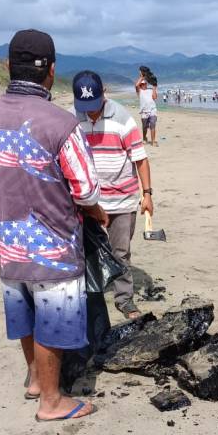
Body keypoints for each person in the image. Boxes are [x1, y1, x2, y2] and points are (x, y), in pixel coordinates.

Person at [0, 29, 104, 421]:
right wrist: (95, 213)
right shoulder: (61, 123)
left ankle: (33, 378)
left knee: (23, 310)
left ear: (8, 66)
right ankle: (51, 400)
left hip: (7, 237)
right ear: (51, 71)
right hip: (52, 242)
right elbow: (86, 189)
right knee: (54, 317)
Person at [72, 70, 155, 319]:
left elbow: (140, 159)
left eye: (95, 105)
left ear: (104, 94)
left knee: (120, 252)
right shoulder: (71, 118)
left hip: (122, 199)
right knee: (86, 252)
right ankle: (89, 296)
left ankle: (124, 299)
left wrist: (148, 194)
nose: (91, 111)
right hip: (87, 201)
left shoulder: (122, 118)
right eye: (85, 106)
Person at [135, 67, 159, 146]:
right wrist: (142, 76)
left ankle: (153, 141)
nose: (144, 85)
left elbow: (155, 97)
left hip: (153, 110)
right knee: (144, 127)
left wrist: (154, 87)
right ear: (141, 85)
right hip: (144, 111)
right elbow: (136, 85)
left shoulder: (150, 90)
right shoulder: (140, 91)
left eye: (145, 83)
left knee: (152, 124)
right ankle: (145, 138)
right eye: (142, 84)